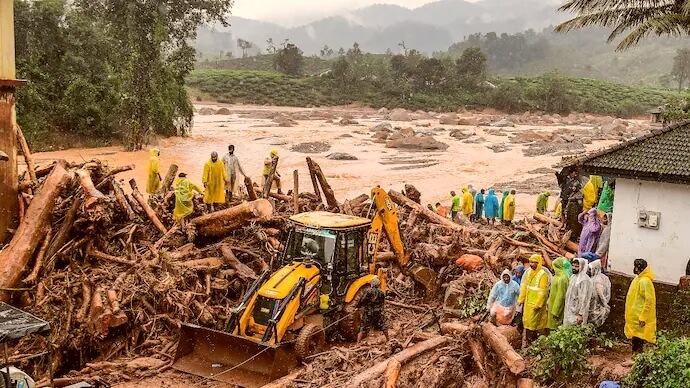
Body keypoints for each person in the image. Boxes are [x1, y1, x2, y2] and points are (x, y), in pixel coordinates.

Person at [518, 254, 550, 346]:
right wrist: (521, 299)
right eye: (530, 262)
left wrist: (538, 304)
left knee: (534, 323)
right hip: (528, 303)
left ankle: (534, 342)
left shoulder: (543, 275)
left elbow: (543, 291)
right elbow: (525, 286)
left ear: (538, 263)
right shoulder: (529, 273)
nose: (531, 264)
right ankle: (528, 342)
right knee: (527, 321)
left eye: (533, 262)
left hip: (536, 304)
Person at [625, 259, 656, 352]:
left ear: (639, 268)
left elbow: (649, 300)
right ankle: (635, 358)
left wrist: (643, 317)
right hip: (635, 317)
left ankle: (636, 359)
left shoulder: (644, 281)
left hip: (639, 317)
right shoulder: (638, 278)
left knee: (639, 339)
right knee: (635, 338)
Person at [357, 277, 389, 343]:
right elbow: (382, 302)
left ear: (372, 284)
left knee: (363, 327)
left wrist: (358, 307)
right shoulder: (382, 293)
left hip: (369, 312)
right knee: (383, 325)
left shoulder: (368, 291)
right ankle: (388, 339)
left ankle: (357, 343)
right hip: (378, 312)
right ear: (378, 285)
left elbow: (362, 300)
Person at [564, 258, 593, 326]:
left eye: (577, 266)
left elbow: (584, 298)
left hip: (577, 311)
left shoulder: (584, 280)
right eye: (573, 266)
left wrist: (581, 314)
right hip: (570, 308)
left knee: (576, 330)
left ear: (582, 267)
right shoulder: (573, 277)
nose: (574, 268)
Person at [547, 257, 570, 331]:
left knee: (556, 328)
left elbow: (561, 296)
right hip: (552, 305)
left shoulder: (562, 278)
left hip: (556, 309)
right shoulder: (556, 276)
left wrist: (556, 311)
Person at [588, 259, 611, 328]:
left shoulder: (597, 280)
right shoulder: (601, 277)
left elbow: (600, 293)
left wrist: (604, 305)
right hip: (596, 303)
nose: (589, 270)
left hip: (596, 305)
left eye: (590, 269)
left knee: (593, 323)